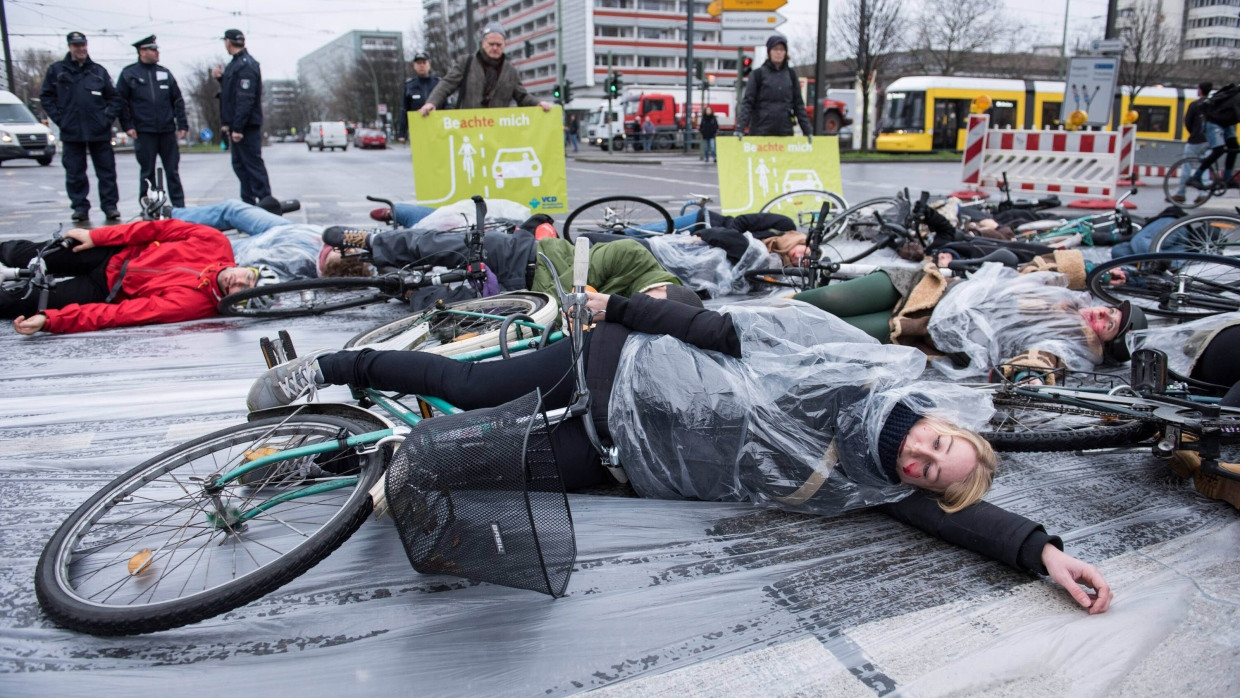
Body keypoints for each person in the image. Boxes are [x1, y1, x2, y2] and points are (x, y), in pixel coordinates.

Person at [248, 294, 1112, 614]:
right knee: (470, 390)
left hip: (615, 458)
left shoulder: (867, 482)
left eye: (928, 472)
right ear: (941, 422)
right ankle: (327, 369)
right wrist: (618, 308)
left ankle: (314, 464)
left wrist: (1042, 553)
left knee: (473, 469)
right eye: (937, 445)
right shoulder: (849, 373)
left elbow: (959, 520)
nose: (920, 461)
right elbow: (726, 330)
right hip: (610, 369)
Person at [792, 261, 1147, 380]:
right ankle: (759, 313)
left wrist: (1026, 377)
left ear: (1105, 343)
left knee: (819, 332)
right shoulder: (1069, 296)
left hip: (919, 331)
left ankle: (759, 333)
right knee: (820, 300)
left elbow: (1040, 362)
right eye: (1111, 310)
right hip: (928, 288)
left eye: (1109, 324)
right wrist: (1095, 270)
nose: (1103, 313)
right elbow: (1039, 265)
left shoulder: (1067, 347)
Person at [0, 219, 260, 334]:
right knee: (22, 253)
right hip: (110, 253)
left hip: (105, 289)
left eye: (241, 290)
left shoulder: (193, 306)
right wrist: (96, 236)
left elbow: (121, 314)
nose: (237, 282)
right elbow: (154, 229)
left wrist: (51, 320)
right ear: (247, 268)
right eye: (247, 278)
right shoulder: (215, 242)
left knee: (19, 302)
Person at [39, 32, 123, 223]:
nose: (81, 49)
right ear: (70, 47)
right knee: (75, 172)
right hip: (72, 130)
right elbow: (46, 97)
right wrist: (61, 119)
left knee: (107, 172)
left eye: (83, 45)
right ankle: (80, 208)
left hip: (99, 130)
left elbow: (114, 98)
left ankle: (110, 206)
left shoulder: (98, 71)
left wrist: (106, 119)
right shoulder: (57, 71)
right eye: (77, 46)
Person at [116, 35, 189, 209]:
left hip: (166, 130)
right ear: (142, 52)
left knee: (172, 170)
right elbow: (120, 102)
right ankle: (149, 206)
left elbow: (177, 100)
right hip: (144, 131)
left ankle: (179, 207)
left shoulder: (165, 73)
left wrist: (182, 124)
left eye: (156, 49)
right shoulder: (130, 74)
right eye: (153, 49)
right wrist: (127, 126)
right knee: (147, 172)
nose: (157, 52)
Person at [419, 25, 553, 115]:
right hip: (469, 128)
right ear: (483, 43)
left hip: (497, 132)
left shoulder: (511, 71)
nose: (495, 48)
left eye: (499, 45)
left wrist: (538, 103)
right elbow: (447, 84)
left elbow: (522, 96)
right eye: (491, 44)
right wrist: (432, 102)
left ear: (504, 45)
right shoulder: (466, 62)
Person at [212, 29, 272, 205]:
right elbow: (232, 94)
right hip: (239, 125)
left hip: (246, 126)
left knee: (253, 167)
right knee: (241, 166)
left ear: (228, 42)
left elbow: (245, 98)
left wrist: (238, 128)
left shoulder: (245, 65)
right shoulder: (235, 64)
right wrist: (221, 79)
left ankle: (267, 205)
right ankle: (249, 205)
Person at [736, 34, 812, 141]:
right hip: (760, 132)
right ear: (769, 52)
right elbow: (748, 103)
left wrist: (807, 131)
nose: (778, 53)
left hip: (784, 132)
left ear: (785, 52)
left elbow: (798, 105)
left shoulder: (791, 75)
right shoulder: (757, 75)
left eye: (782, 49)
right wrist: (740, 128)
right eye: (775, 49)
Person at [1188, 83, 1238, 193]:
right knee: (1219, 150)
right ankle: (1195, 177)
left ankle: (1227, 178)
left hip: (1225, 123)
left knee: (1234, 148)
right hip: (1212, 122)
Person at [1172, 82, 1214, 205]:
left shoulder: (1195, 105)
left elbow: (1188, 122)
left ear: (1200, 90)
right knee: (1204, 166)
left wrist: (1194, 132)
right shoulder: (1213, 105)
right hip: (1209, 141)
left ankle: (1181, 193)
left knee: (1187, 165)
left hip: (1195, 140)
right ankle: (1203, 193)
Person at [403, 52, 440, 132]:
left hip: (437, 126)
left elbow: (447, 106)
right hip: (418, 128)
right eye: (419, 63)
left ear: (429, 65)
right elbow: (405, 109)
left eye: (424, 62)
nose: (421, 65)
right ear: (414, 66)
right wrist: (402, 134)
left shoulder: (438, 84)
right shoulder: (409, 85)